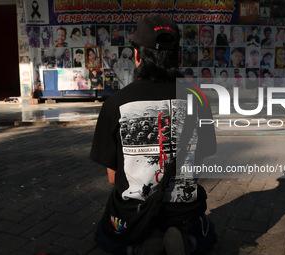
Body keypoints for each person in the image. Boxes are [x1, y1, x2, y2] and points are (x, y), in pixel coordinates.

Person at [90, 15, 217, 255]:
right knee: (206, 234)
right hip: (183, 211)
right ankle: (185, 238)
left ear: (137, 55)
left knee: (104, 235)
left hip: (134, 213)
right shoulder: (199, 100)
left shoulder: (114, 104)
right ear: (176, 55)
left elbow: (112, 177)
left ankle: (139, 244)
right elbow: (198, 166)